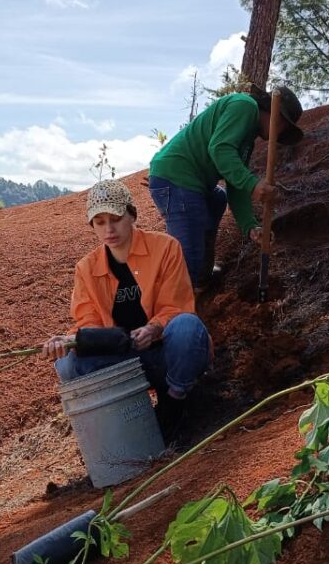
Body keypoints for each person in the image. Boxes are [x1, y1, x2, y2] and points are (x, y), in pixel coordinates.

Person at [43, 179, 211, 437]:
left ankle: (175, 402)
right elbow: (88, 322)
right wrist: (70, 340)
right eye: (100, 222)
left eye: (116, 218)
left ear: (132, 215)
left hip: (165, 354)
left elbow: (176, 306)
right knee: (67, 363)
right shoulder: (86, 269)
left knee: (188, 326)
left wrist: (153, 329)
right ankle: (126, 414)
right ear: (93, 226)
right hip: (123, 363)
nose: (109, 229)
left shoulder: (165, 247)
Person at [148, 85, 305, 290]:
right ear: (274, 113)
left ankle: (201, 276)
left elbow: (235, 183)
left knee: (217, 198)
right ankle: (180, 298)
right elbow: (220, 149)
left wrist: (250, 226)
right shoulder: (245, 106)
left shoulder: (248, 135)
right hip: (175, 177)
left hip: (194, 183)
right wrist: (253, 184)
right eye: (283, 125)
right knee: (189, 254)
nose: (280, 132)